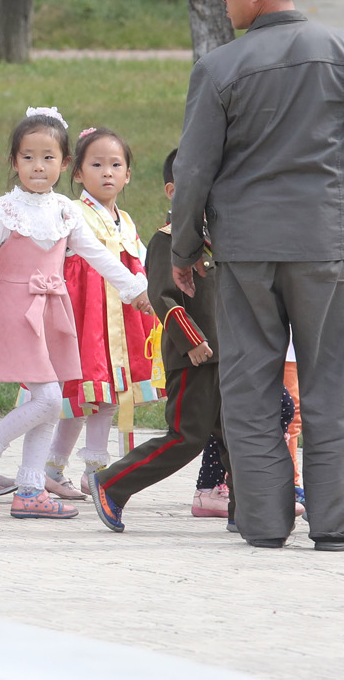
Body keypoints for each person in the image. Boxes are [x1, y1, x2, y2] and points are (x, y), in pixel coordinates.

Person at [169, 0, 344, 552]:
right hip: (322, 245)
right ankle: (341, 524)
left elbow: (193, 172)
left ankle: (264, 522)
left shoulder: (217, 68)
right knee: (329, 385)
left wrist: (185, 249)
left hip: (243, 253)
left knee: (249, 388)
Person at [0, 110, 147, 519]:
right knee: (49, 399)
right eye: (28, 157)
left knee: (51, 399)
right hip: (18, 312)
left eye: (48, 157)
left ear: (65, 165)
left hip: (55, 314)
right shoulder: (3, 211)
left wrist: (134, 288)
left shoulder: (65, 211)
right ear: (14, 163)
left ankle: (29, 488)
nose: (38, 167)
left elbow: (97, 255)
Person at [88, 151, 223, 532]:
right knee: (186, 437)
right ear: (172, 190)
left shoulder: (218, 240)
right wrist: (192, 341)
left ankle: (250, 508)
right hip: (195, 356)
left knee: (234, 434)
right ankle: (113, 483)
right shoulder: (169, 240)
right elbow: (164, 296)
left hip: (224, 356)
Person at [54, 127, 156, 493]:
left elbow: (142, 262)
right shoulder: (71, 212)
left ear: (128, 174)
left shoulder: (125, 221)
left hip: (121, 323)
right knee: (85, 396)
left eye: (116, 165)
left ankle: (80, 469)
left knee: (106, 396)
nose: (107, 172)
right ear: (78, 173)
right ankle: (78, 470)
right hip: (87, 321)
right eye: (97, 164)